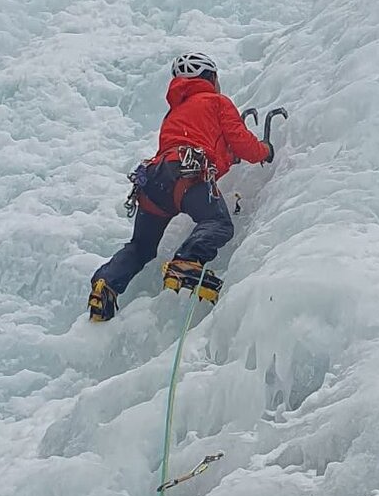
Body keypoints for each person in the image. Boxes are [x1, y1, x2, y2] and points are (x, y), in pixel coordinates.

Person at [89, 53, 274, 321]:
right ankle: (187, 261)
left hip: (154, 182)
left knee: (141, 247)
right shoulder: (217, 102)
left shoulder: (174, 113)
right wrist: (264, 151)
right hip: (186, 174)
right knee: (218, 223)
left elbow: (202, 146)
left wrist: (228, 158)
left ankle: (105, 284)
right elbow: (243, 142)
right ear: (210, 77)